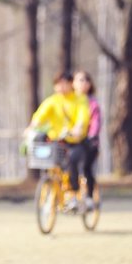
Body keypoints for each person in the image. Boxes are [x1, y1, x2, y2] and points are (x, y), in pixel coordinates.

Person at [25, 71, 91, 210]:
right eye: (58, 84)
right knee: (48, 160)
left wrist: (78, 128)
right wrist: (31, 127)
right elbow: (40, 116)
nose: (60, 87)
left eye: (63, 83)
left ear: (70, 84)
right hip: (56, 140)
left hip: (74, 141)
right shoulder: (52, 101)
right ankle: (51, 187)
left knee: (72, 160)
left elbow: (82, 116)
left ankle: (72, 194)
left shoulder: (79, 99)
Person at [73, 70, 101, 211]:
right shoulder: (70, 101)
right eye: (78, 80)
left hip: (88, 142)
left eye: (85, 80)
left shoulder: (92, 103)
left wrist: (92, 135)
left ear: (90, 84)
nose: (82, 83)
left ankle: (89, 197)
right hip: (72, 141)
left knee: (86, 167)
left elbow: (95, 122)